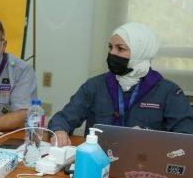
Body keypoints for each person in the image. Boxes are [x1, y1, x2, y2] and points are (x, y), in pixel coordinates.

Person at [48, 22, 193, 147]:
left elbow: (186, 136)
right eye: (110, 47)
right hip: (97, 161)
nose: (112, 53)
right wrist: (59, 130)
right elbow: (63, 117)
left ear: (140, 52)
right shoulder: (95, 85)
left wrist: (151, 138)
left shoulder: (168, 92)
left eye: (120, 48)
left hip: (144, 163)